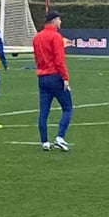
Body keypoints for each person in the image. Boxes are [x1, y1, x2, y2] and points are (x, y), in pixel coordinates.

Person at [34, 11, 73, 152]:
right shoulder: (56, 37)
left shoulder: (37, 37)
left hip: (42, 77)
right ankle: (60, 137)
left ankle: (44, 141)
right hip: (55, 76)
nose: (60, 22)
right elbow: (59, 60)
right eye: (59, 19)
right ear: (54, 20)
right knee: (67, 108)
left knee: (44, 111)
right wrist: (65, 78)